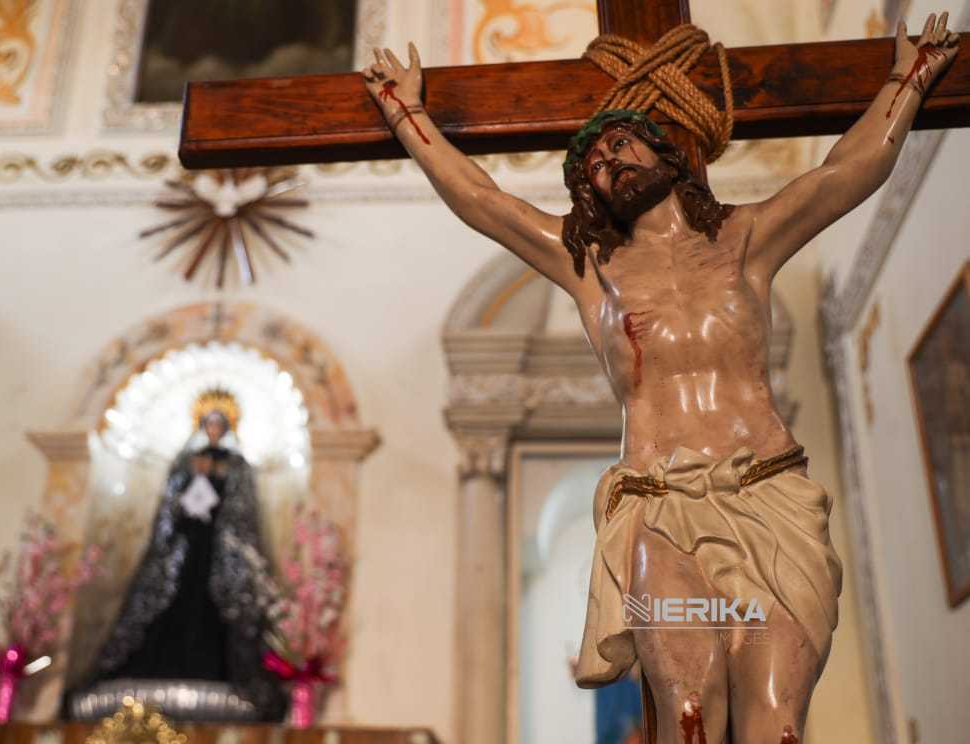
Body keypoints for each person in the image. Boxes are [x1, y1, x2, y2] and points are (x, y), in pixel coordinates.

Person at [361, 13, 958, 742]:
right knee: (689, 710)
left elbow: (847, 171)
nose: (606, 163)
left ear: (666, 154)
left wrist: (910, 77)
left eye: (619, 145)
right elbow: (485, 202)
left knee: (776, 721)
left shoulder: (746, 239)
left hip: (770, 497)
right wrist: (407, 113)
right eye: (592, 168)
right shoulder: (591, 268)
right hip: (657, 508)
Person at [78, 391, 285, 721]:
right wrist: (188, 497)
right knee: (171, 601)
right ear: (202, 425)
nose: (214, 428)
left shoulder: (236, 464)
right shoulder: (185, 461)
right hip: (186, 545)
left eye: (220, 423)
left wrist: (218, 490)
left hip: (219, 549)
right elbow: (170, 505)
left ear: (228, 426)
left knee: (215, 610)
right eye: (209, 423)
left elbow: (243, 511)